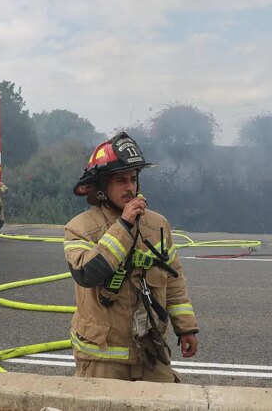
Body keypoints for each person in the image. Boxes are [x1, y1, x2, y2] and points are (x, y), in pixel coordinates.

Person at [64, 132, 199, 382]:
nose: (130, 187)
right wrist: (124, 226)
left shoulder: (157, 224)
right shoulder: (80, 228)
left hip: (149, 352)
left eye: (133, 179)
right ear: (103, 186)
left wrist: (186, 327)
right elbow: (86, 273)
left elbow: (174, 281)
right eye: (120, 181)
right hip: (101, 360)